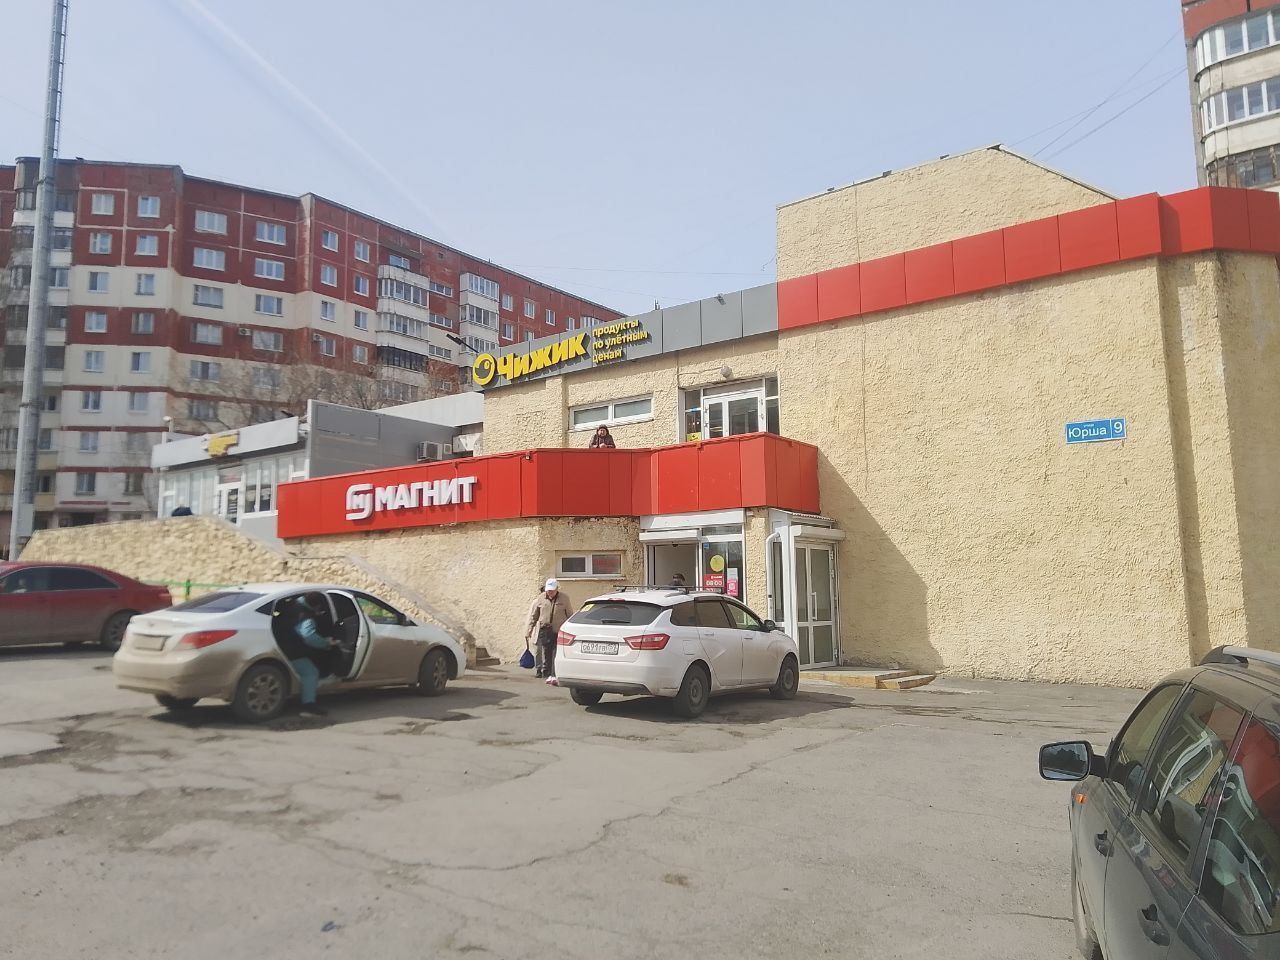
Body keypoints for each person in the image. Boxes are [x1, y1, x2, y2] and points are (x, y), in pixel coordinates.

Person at [275, 592, 338, 718]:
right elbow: (308, 636)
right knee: (310, 673)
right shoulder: (306, 616)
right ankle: (309, 706)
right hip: (291, 650)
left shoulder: (290, 605)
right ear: (317, 606)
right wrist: (326, 643)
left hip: (277, 644)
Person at [525, 578, 574, 685]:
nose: (550, 592)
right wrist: (529, 630)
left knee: (556, 652)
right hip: (545, 630)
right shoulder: (541, 598)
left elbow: (570, 614)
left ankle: (554, 674)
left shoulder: (564, 598)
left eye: (552, 590)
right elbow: (534, 616)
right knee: (547, 652)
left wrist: (571, 629)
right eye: (548, 590)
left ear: (557, 589)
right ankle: (548, 673)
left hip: (558, 630)